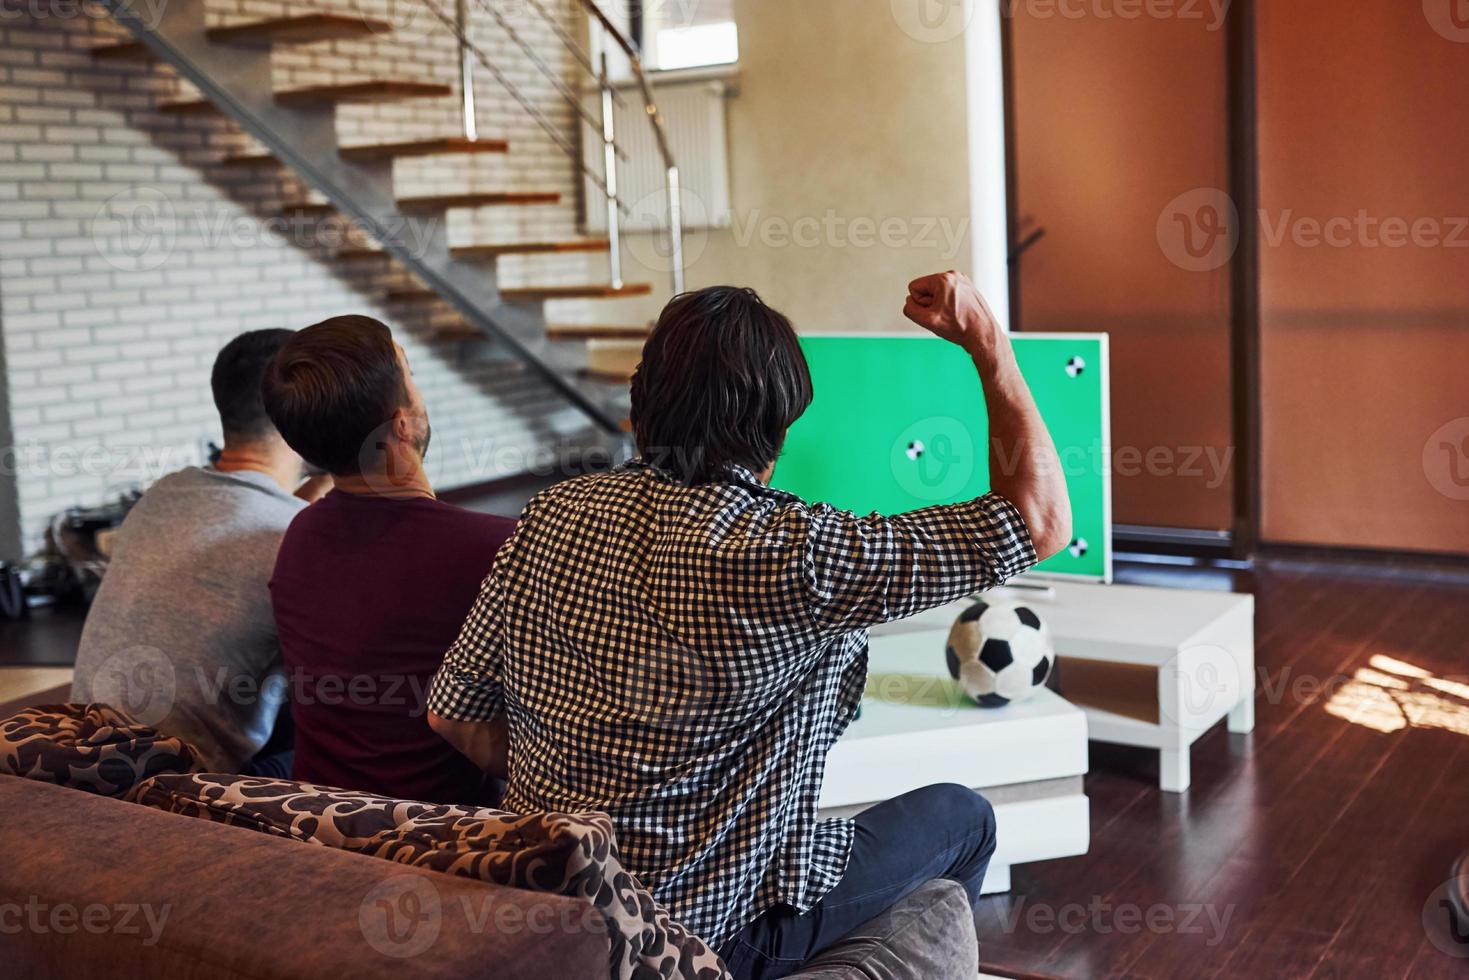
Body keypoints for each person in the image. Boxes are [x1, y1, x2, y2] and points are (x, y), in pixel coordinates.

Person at [425, 271, 1071, 976]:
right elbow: (1038, 520)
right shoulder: (797, 553)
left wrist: (590, 793)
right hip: (705, 938)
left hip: (551, 911)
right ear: (780, 422)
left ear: (642, 402)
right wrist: (987, 342)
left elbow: (453, 716)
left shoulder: (553, 512)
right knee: (962, 817)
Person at [260, 315, 513, 806]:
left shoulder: (300, 533)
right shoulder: (493, 547)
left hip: (319, 817)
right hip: (438, 831)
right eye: (412, 375)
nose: (419, 390)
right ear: (401, 423)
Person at [72, 329, 330, 775]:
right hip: (178, 784)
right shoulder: (289, 535)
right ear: (303, 413)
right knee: (363, 737)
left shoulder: (162, 494)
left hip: (79, 745)